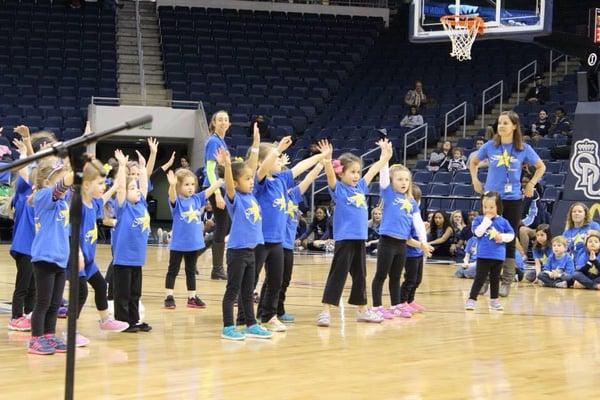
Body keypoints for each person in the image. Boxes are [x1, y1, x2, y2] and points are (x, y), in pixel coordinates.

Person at [316, 139, 393, 327]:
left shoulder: (361, 187)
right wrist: (327, 160)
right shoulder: (339, 188)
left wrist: (385, 156)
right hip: (344, 239)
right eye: (352, 172)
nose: (357, 175)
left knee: (360, 276)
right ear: (341, 172)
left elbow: (374, 170)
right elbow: (330, 176)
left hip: (360, 239)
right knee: (338, 275)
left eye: (358, 172)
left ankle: (362, 310)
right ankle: (325, 311)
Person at [470, 110, 546, 297]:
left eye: (505, 123)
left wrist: (531, 183)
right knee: (487, 236)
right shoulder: (489, 146)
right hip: (491, 197)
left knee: (509, 237)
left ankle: (506, 281)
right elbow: (473, 162)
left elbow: (541, 166)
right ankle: (485, 281)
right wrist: (475, 180)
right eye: (499, 123)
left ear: (514, 126)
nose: (501, 126)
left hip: (513, 199)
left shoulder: (524, 148)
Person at [214, 145, 272, 340]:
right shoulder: (235, 198)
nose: (251, 182)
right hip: (237, 252)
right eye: (247, 179)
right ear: (237, 184)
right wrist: (228, 166)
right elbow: (229, 186)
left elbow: (253, 168)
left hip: (251, 252)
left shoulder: (252, 196)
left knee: (248, 292)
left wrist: (255, 145)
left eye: (251, 178)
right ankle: (228, 327)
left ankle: (251, 324)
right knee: (233, 291)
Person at [73, 159, 130, 346]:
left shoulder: (93, 203)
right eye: (99, 183)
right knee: (80, 293)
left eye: (103, 183)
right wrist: (78, 253)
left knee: (100, 285)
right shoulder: (78, 206)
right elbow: (69, 233)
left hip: (88, 260)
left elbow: (103, 199)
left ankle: (105, 320)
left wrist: (114, 187)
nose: (103, 186)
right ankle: (71, 331)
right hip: (76, 259)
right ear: (87, 184)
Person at [371, 163, 431, 320]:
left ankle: (396, 305)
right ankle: (377, 306)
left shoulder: (411, 201)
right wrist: (385, 159)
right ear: (392, 181)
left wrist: (423, 242)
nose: (404, 183)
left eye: (406, 179)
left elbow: (418, 222)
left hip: (401, 245)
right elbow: (383, 178)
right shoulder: (389, 194)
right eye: (399, 179)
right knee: (381, 275)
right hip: (387, 242)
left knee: (396, 277)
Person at [28, 157, 74, 355]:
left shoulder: (62, 202)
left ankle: (49, 335)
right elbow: (61, 186)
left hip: (60, 258)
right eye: (59, 180)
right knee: (43, 303)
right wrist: (74, 169)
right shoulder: (44, 195)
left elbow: (67, 186)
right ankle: (35, 339)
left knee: (55, 303)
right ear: (47, 182)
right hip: (45, 258)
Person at [163, 168, 223, 309]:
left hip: (193, 244)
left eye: (192, 184)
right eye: (186, 185)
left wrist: (221, 180)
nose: (190, 187)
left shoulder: (197, 199)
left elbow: (209, 190)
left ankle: (192, 297)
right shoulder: (177, 201)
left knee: (191, 271)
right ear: (179, 187)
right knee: (173, 270)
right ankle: (169, 296)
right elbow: (171, 196)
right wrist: (172, 185)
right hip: (178, 244)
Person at [277, 163, 323, 322]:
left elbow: (309, 179)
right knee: (273, 280)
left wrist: (320, 165)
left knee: (285, 279)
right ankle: (266, 311)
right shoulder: (275, 195)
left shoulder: (294, 195)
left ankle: (278, 309)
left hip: (288, 245)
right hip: (276, 244)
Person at [112, 150, 152, 333]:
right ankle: (122, 321)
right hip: (123, 258)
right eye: (132, 189)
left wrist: (143, 169)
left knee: (135, 293)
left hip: (137, 258)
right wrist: (121, 166)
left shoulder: (141, 204)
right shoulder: (123, 207)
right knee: (123, 293)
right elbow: (121, 187)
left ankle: (133, 320)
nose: (136, 191)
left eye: (136, 188)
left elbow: (143, 187)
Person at [465, 192, 515, 311]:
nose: (488, 210)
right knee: (480, 278)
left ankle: (494, 301)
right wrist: (486, 221)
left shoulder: (503, 221)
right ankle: (471, 299)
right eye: (485, 207)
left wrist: (502, 237)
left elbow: (511, 235)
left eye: (491, 207)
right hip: (483, 255)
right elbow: (477, 233)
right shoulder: (479, 219)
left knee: (495, 279)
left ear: (498, 207)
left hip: (498, 256)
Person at [203, 111, 231, 280]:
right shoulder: (214, 141)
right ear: (213, 123)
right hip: (215, 187)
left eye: (225, 120)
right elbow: (210, 169)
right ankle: (217, 269)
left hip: (220, 186)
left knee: (223, 226)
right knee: (222, 226)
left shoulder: (221, 141)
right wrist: (217, 193)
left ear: (229, 124)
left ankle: (196, 252)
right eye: (219, 119)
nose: (223, 122)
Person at [398, 184, 431, 313]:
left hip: (418, 253)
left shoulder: (416, 216)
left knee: (418, 279)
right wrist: (422, 245)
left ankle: (410, 300)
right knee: (410, 279)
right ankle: (402, 301)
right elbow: (407, 238)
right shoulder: (406, 217)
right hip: (410, 253)